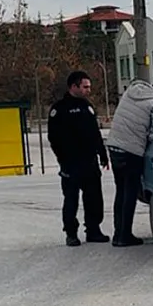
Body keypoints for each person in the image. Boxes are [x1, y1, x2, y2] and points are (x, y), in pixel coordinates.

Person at [106, 73, 153, 247]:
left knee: (121, 191)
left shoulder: (132, 91)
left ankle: (118, 233)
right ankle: (125, 235)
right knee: (130, 193)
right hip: (131, 151)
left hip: (114, 147)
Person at [48, 71, 110, 247]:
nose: (88, 90)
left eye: (89, 87)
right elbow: (54, 138)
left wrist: (102, 154)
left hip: (89, 162)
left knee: (94, 198)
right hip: (70, 164)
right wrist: (63, 159)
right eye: (85, 87)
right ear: (74, 87)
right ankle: (71, 233)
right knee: (71, 199)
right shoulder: (59, 109)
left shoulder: (87, 107)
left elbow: (95, 134)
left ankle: (93, 229)